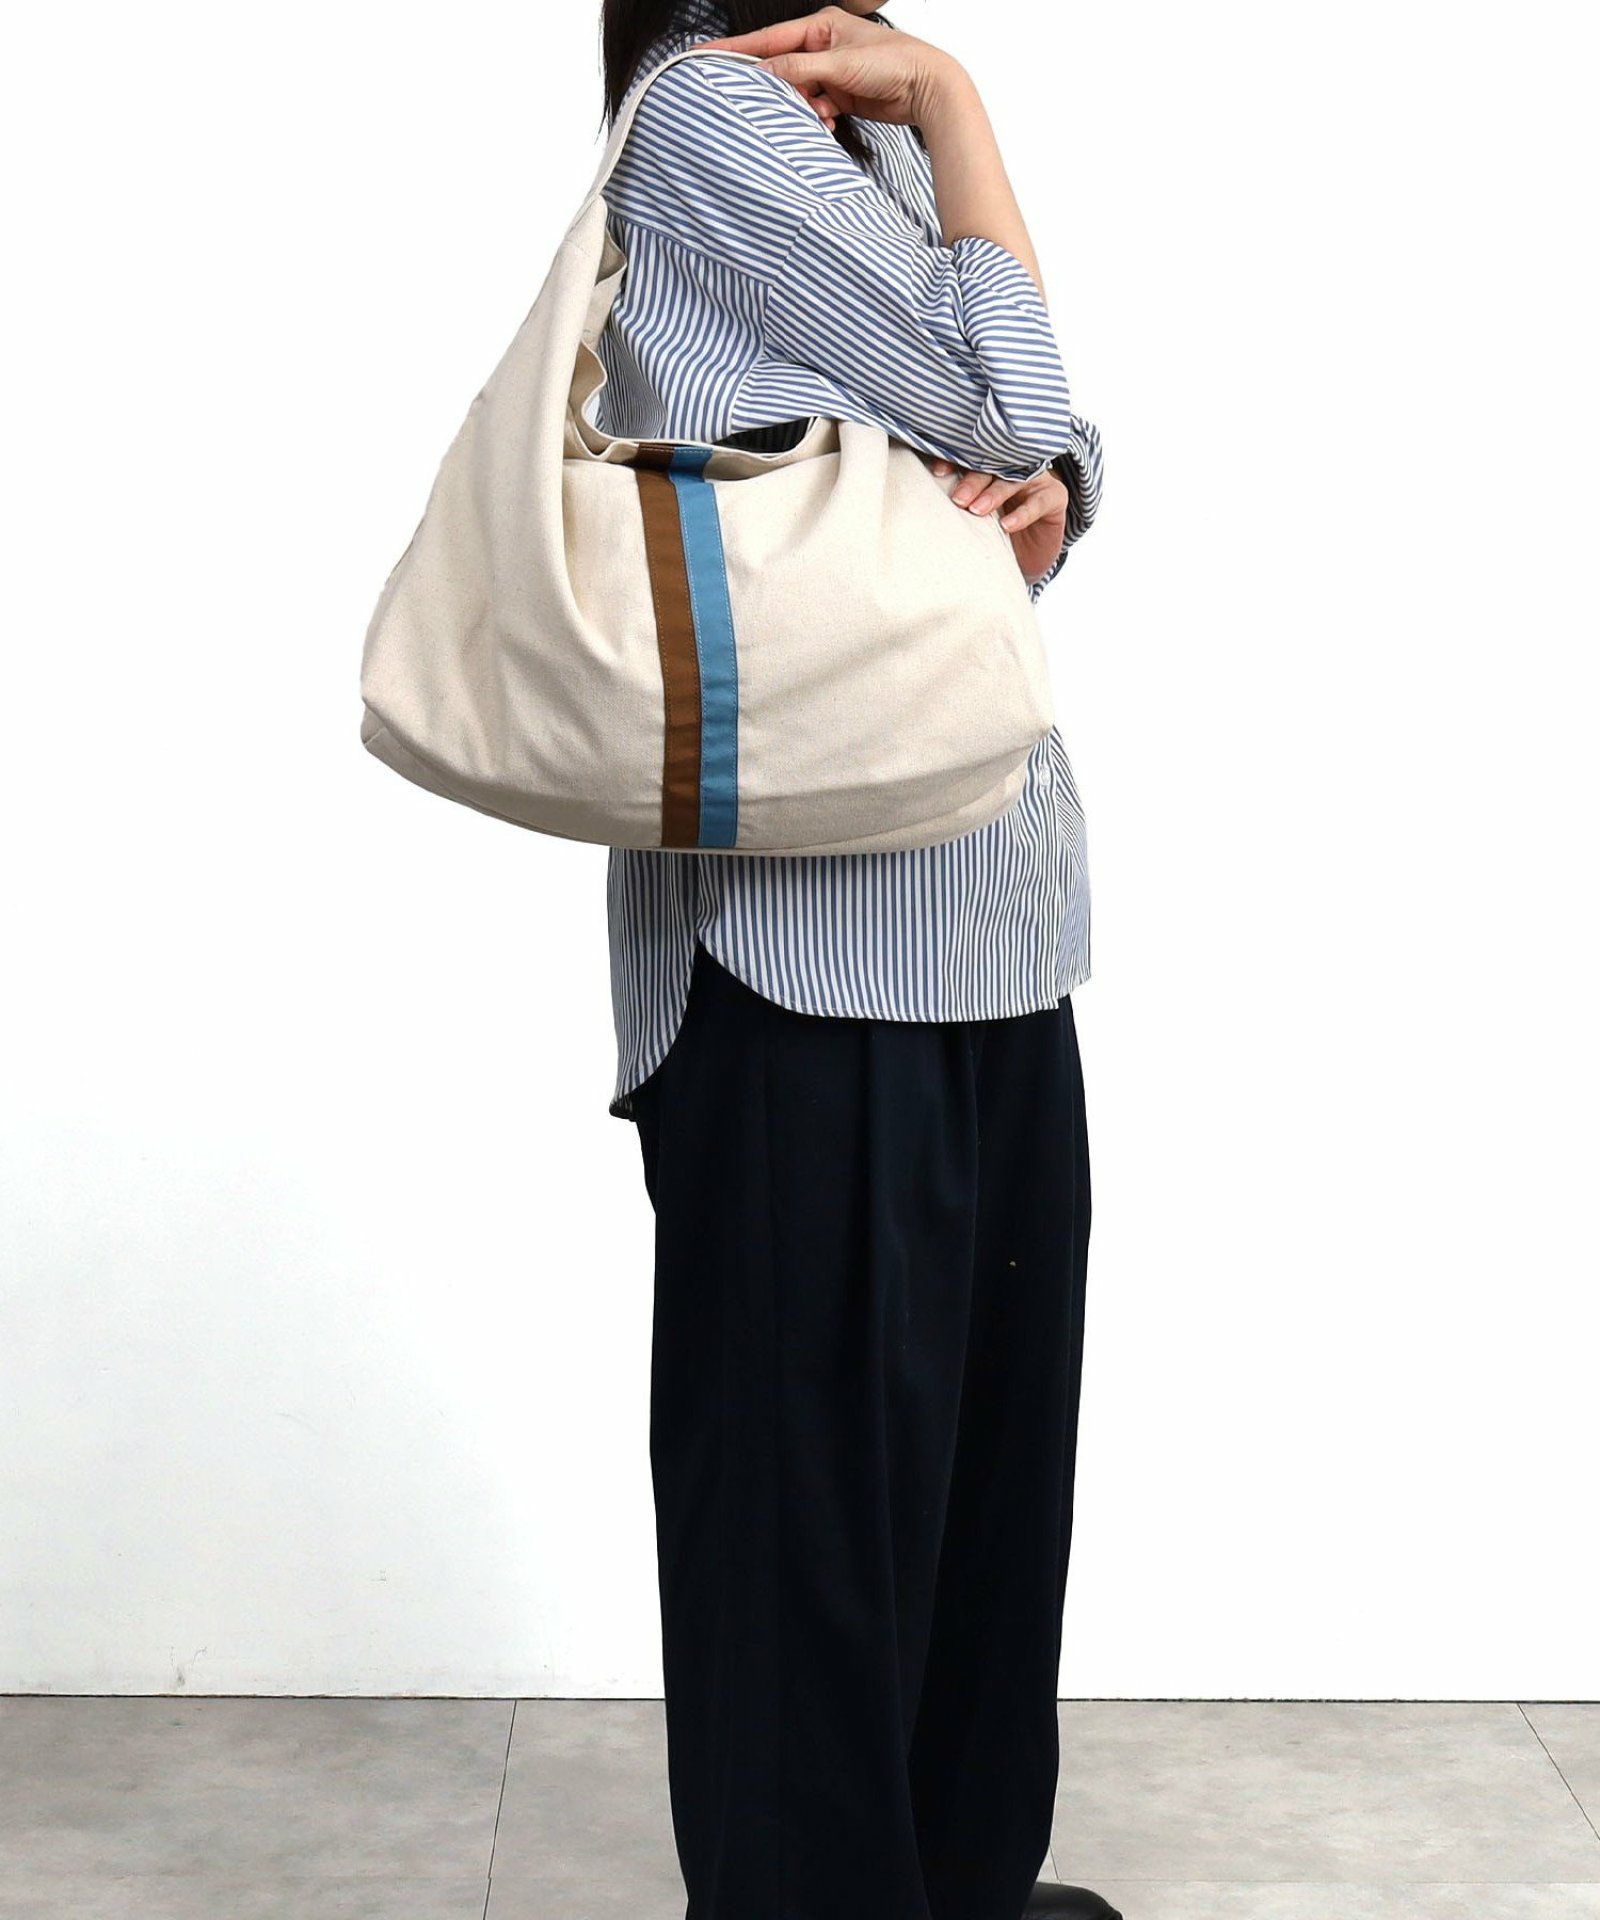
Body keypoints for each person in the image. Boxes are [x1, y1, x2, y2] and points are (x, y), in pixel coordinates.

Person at [597, 5, 1109, 1916]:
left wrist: (1062, 488)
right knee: (805, 1518)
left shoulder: (863, 121)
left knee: (985, 1480)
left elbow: (1049, 451)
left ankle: (957, 1881)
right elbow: (1006, 404)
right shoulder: (710, 109)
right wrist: (964, 107)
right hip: (803, 938)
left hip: (991, 896)